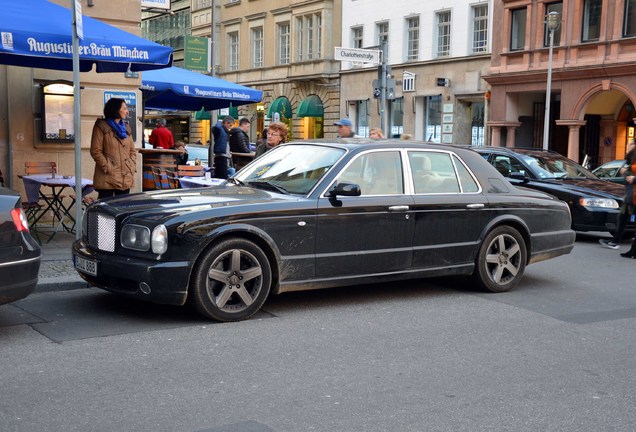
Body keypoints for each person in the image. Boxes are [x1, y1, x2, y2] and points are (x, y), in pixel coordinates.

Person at [90, 98, 137, 200]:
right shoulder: (101, 126)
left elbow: (132, 151)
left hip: (125, 176)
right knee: (105, 213)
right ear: (116, 110)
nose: (127, 111)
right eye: (124, 108)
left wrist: (131, 165)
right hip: (107, 177)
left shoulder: (126, 128)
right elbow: (95, 151)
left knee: (123, 210)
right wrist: (108, 167)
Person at [599, 139, 636, 250]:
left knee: (624, 218)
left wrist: (632, 177)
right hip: (630, 195)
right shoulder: (630, 158)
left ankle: (624, 246)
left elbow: (631, 176)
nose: (627, 145)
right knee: (622, 217)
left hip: (633, 196)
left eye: (630, 144)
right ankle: (615, 241)